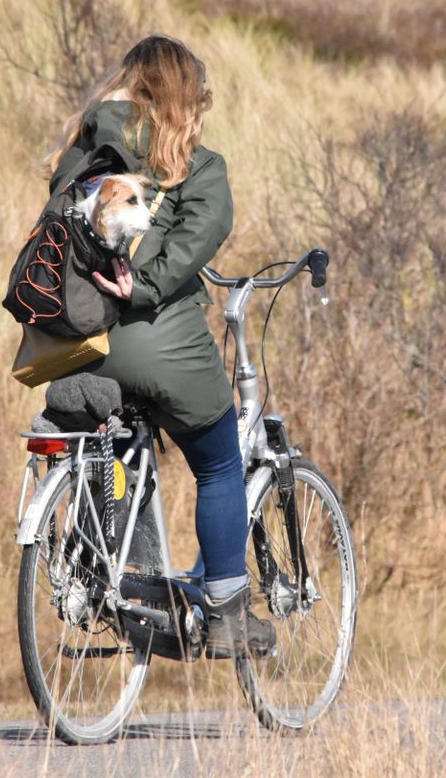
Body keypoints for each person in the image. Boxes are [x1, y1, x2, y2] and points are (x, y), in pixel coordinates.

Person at [44, 34, 275, 658]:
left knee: (114, 445)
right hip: (149, 342)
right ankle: (227, 611)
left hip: (68, 343)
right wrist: (138, 289)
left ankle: (110, 576)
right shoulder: (198, 167)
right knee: (220, 461)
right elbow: (189, 250)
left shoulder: (84, 150)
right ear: (187, 100)